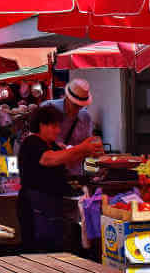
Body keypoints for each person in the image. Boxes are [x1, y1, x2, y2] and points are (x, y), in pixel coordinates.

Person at [17, 105, 103, 253]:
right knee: (39, 250)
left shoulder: (52, 145)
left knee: (54, 247)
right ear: (41, 125)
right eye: (54, 126)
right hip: (35, 205)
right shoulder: (31, 142)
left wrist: (90, 152)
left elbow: (68, 158)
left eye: (58, 126)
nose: (58, 130)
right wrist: (82, 147)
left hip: (52, 204)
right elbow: (49, 159)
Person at [41, 79, 97, 175]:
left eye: (81, 105)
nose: (78, 108)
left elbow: (89, 151)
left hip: (74, 174)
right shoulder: (48, 108)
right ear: (67, 97)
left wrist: (92, 174)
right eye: (75, 104)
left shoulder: (85, 117)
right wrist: (55, 146)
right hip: (49, 174)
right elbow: (36, 141)